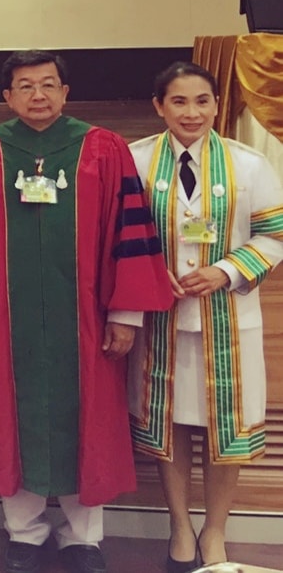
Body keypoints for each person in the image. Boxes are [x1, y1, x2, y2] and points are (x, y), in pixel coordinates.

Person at [0, 50, 174, 573]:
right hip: (7, 320)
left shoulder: (103, 147)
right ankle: (23, 534)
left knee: (90, 417)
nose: (38, 95)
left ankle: (83, 538)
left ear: (65, 92)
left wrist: (126, 313)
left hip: (87, 319)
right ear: (7, 96)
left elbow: (130, 230)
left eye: (48, 84)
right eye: (25, 86)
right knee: (11, 417)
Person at [127, 62, 283, 571]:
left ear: (217, 105)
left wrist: (226, 271)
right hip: (161, 321)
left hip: (230, 320)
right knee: (169, 423)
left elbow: (274, 235)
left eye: (202, 101)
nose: (191, 112)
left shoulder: (249, 164)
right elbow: (119, 234)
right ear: (159, 106)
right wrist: (151, 274)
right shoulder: (136, 160)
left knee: (226, 430)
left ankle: (215, 531)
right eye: (179, 101)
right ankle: (179, 526)